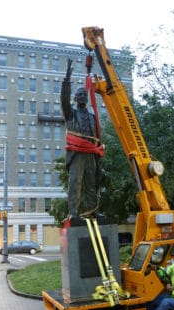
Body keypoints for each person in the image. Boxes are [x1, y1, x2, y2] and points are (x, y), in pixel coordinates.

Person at [61, 58, 104, 219]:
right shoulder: (70, 114)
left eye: (84, 94)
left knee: (91, 184)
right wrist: (67, 79)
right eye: (79, 95)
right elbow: (63, 100)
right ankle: (73, 213)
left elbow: (97, 138)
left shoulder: (93, 117)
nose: (82, 96)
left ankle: (92, 211)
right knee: (75, 184)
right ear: (75, 99)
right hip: (77, 154)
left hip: (91, 154)